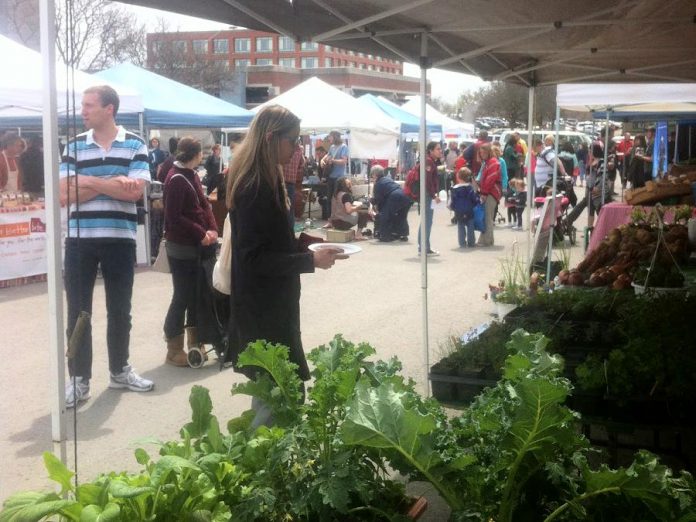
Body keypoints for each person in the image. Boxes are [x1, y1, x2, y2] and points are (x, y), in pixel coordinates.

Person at [225, 105, 346, 427]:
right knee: (276, 400)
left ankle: (265, 466)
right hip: (261, 310)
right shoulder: (254, 186)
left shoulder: (266, 177)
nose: (298, 151)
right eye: (293, 141)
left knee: (279, 393)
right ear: (270, 138)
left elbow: (271, 241)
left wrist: (312, 244)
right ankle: (259, 470)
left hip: (271, 305)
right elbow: (252, 258)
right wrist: (310, 260)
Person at [59, 85, 153, 408]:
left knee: (119, 309)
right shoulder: (72, 147)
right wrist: (112, 181)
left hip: (119, 239)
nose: (82, 111)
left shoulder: (135, 145)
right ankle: (79, 379)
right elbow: (63, 195)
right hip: (80, 241)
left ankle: (119, 370)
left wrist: (86, 181)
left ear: (109, 108)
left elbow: (133, 192)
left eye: (89, 105)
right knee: (78, 311)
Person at [162, 137, 218, 367]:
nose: (203, 157)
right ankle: (173, 349)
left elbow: (204, 205)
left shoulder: (192, 174)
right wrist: (200, 232)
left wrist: (213, 228)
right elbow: (173, 218)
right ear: (194, 155)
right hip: (182, 248)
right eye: (201, 154)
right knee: (182, 296)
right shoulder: (175, 178)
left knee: (197, 296)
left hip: (198, 246)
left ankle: (196, 343)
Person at [371, 165, 412, 242]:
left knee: (384, 215)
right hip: (405, 196)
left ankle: (385, 236)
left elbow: (378, 199)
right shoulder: (388, 179)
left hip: (395, 197)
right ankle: (403, 234)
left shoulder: (378, 183)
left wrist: (372, 201)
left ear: (374, 174)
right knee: (401, 216)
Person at [418, 141, 442, 256]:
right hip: (427, 195)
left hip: (427, 194)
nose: (440, 151)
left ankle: (423, 247)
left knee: (426, 221)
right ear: (431, 150)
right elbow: (427, 181)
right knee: (427, 221)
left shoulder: (431, 161)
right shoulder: (428, 161)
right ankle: (424, 248)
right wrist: (434, 195)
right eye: (438, 149)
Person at [477, 142, 502, 247]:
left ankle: (487, 241)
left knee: (487, 217)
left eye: (483, 152)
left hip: (491, 192)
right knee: (487, 216)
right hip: (490, 192)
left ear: (488, 152)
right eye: (480, 153)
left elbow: (490, 179)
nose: (482, 154)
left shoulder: (493, 162)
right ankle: (486, 240)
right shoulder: (488, 162)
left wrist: (484, 193)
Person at [449, 167, 478, 248]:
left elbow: (453, 200)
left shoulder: (454, 189)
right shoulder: (470, 188)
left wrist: (453, 207)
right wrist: (476, 202)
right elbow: (474, 199)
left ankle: (462, 243)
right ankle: (471, 242)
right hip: (469, 210)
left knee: (460, 226)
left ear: (458, 177)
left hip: (459, 211)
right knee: (470, 226)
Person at [321, 130, 349, 200]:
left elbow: (344, 161)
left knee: (337, 200)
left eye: (330, 136)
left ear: (335, 137)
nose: (328, 138)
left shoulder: (343, 146)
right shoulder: (332, 147)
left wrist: (332, 160)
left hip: (339, 179)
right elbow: (328, 155)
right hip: (330, 177)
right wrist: (322, 160)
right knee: (329, 200)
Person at [282, 139, 304, 213]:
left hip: (282, 180)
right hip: (292, 181)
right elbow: (302, 164)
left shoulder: (285, 149)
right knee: (291, 206)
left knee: (282, 206)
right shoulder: (300, 150)